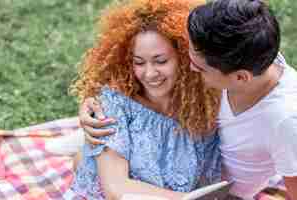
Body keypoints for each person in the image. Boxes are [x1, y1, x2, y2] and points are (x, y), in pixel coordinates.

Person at [80, 0, 297, 199]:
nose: (191, 67)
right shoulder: (242, 51)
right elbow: (116, 187)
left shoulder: (285, 120)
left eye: (201, 68)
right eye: (139, 62)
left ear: (241, 77)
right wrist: (90, 103)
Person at [66, 0, 222, 199]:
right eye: (139, 62)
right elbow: (115, 190)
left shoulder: (202, 102)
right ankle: (84, 154)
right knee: (93, 153)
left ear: (184, 58)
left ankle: (82, 151)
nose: (149, 74)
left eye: (161, 61)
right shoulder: (115, 104)